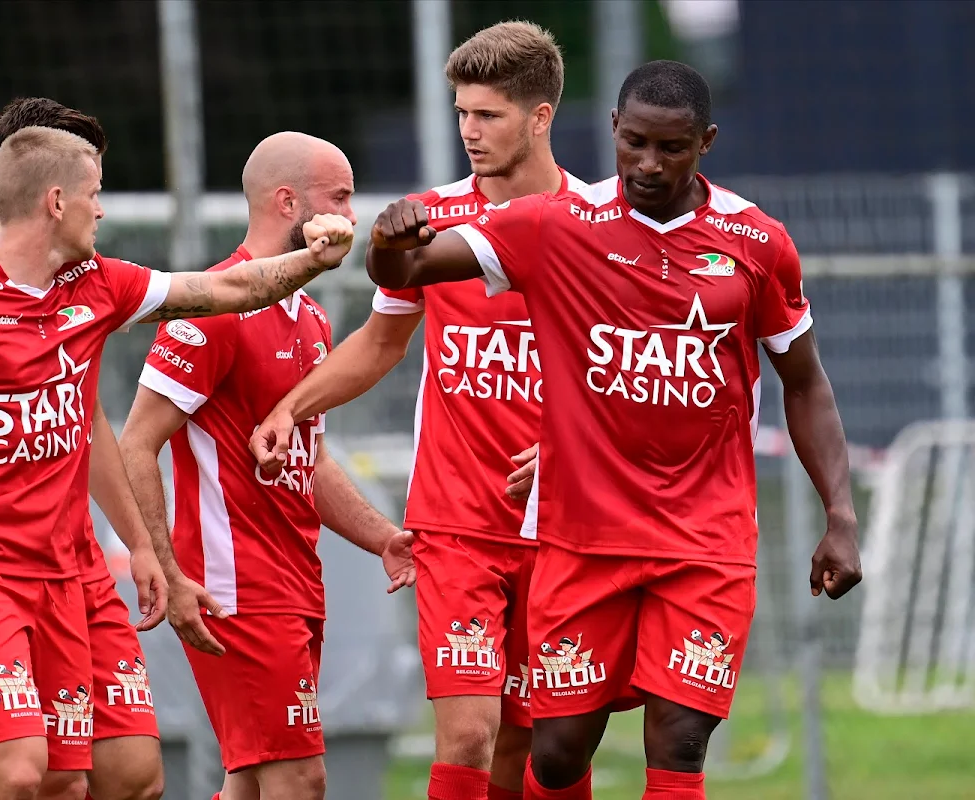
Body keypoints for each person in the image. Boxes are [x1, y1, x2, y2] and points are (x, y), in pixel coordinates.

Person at [364, 60, 862, 800]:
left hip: (706, 538)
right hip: (582, 539)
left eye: (672, 148)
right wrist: (388, 236)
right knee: (558, 751)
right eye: (634, 144)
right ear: (612, 133)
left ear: (707, 143)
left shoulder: (756, 242)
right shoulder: (558, 225)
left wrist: (841, 515)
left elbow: (806, 381)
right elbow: (406, 273)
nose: (648, 165)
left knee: (680, 737)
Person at [0, 125, 354, 800]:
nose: (103, 210)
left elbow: (226, 291)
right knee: (25, 771)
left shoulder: (96, 284)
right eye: (95, 193)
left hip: (65, 570)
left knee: (127, 776)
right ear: (57, 201)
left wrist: (314, 260)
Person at [249, 22, 582, 800]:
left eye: (488, 115)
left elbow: (622, 381)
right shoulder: (428, 222)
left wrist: (573, 452)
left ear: (540, 117)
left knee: (539, 743)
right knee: (468, 732)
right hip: (457, 522)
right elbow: (379, 342)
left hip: (564, 524)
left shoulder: (592, 226)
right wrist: (291, 407)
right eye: (461, 112)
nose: (468, 131)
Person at [118, 131, 416, 800]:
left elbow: (311, 459)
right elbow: (136, 441)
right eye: (337, 198)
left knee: (251, 780)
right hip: (236, 589)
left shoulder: (309, 316)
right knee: (299, 779)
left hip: (294, 582)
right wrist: (170, 572)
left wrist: (381, 539)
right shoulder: (212, 314)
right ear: (289, 202)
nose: (351, 211)